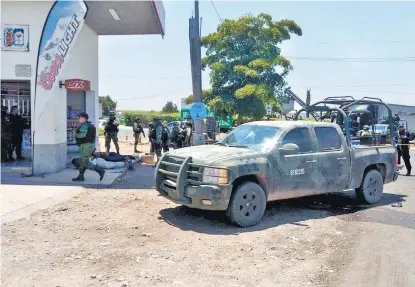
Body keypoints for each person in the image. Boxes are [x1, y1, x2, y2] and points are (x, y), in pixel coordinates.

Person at [72, 112, 105, 181]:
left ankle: (100, 170)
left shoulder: (84, 125)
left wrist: (75, 135)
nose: (78, 119)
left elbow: (83, 135)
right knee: (82, 161)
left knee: (85, 162)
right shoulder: (90, 125)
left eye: (79, 117)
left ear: (83, 118)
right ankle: (80, 176)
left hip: (86, 146)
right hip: (89, 145)